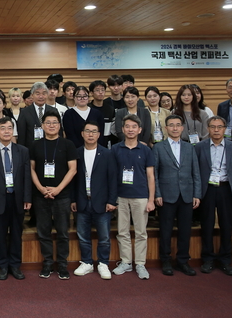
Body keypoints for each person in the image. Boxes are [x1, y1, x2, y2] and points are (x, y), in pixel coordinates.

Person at [30, 109, 77, 280]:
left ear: (59, 126)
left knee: (63, 232)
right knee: (44, 232)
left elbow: (73, 169)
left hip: (62, 196)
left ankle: (63, 264)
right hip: (41, 195)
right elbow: (31, 169)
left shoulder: (68, 144)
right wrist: (42, 188)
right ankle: (48, 263)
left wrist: (57, 189)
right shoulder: (35, 145)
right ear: (42, 126)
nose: (51, 125)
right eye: (48, 123)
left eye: (55, 123)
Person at [0, 117, 31, 280]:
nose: (6, 131)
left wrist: (27, 198)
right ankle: (2, 265)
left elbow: (26, 177)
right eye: (3, 128)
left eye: (10, 128)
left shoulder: (22, 151)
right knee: (0, 234)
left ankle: (15, 265)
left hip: (17, 199)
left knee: (17, 233)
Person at [153, 114, 201, 276]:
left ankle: (182, 261)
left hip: (187, 195)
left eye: (178, 125)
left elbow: (196, 173)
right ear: (166, 128)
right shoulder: (159, 147)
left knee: (185, 230)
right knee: (165, 229)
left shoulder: (190, 147)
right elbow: (155, 174)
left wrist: (197, 194)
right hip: (166, 195)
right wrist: (157, 194)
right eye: (171, 125)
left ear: (182, 128)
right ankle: (165, 260)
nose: (174, 128)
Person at [195, 116, 232, 276]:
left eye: (220, 127)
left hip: (226, 188)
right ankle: (207, 259)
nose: (216, 130)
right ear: (208, 129)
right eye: (213, 127)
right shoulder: (200, 146)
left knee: (227, 226)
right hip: (207, 189)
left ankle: (225, 260)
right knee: (207, 225)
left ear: (225, 129)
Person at [111, 115, 156, 280]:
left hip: (140, 196)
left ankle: (140, 264)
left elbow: (151, 176)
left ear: (140, 130)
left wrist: (151, 200)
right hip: (121, 196)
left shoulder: (146, 150)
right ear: (122, 129)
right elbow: (111, 174)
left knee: (141, 232)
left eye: (133, 127)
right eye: (127, 126)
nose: (130, 129)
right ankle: (126, 262)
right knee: (122, 231)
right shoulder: (115, 149)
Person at [71, 122, 117, 279]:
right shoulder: (76, 153)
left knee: (104, 237)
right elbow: (73, 180)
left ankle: (103, 263)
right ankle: (87, 263)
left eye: (94, 132)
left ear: (99, 135)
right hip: (82, 201)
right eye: (87, 131)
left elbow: (113, 179)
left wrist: (112, 200)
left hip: (102, 202)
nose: (90, 134)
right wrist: (73, 199)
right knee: (83, 236)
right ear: (82, 134)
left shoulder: (107, 154)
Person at [17, 82, 56, 150]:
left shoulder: (53, 111)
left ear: (47, 95)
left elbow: (58, 132)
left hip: (51, 148)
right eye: (37, 94)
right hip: (31, 150)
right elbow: (22, 135)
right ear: (32, 95)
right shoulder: (24, 112)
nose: (41, 96)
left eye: (44, 93)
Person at [89, 80, 116, 146]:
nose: (100, 92)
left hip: (106, 143)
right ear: (92, 93)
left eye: (103, 90)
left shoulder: (110, 109)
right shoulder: (88, 108)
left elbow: (112, 129)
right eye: (97, 90)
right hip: (90, 142)